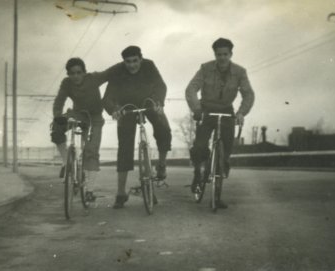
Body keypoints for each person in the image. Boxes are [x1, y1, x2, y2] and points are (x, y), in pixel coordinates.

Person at [185, 38, 255, 208]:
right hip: (206, 110)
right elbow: (191, 89)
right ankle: (198, 172)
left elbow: (248, 94)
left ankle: (217, 193)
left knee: (226, 149)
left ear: (230, 54)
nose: (222, 58)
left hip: (226, 111)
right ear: (215, 55)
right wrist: (197, 109)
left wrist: (240, 113)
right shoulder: (205, 69)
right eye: (219, 54)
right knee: (199, 146)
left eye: (225, 54)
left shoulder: (240, 72)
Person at [103, 46, 172, 209]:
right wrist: (114, 109)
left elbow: (161, 86)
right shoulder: (118, 72)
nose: (132, 65)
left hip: (148, 102)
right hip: (126, 107)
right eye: (128, 62)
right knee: (125, 146)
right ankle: (120, 193)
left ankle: (161, 164)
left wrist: (158, 102)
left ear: (141, 59)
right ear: (123, 62)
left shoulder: (149, 66)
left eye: (135, 61)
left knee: (163, 128)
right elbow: (107, 97)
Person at [51, 57, 108, 201]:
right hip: (78, 114)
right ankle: (67, 162)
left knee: (91, 151)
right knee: (56, 127)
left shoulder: (93, 78)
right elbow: (59, 100)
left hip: (95, 117)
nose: (75, 76)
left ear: (84, 72)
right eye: (72, 73)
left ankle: (90, 190)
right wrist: (58, 115)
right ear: (68, 74)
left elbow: (112, 72)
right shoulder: (66, 83)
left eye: (78, 72)